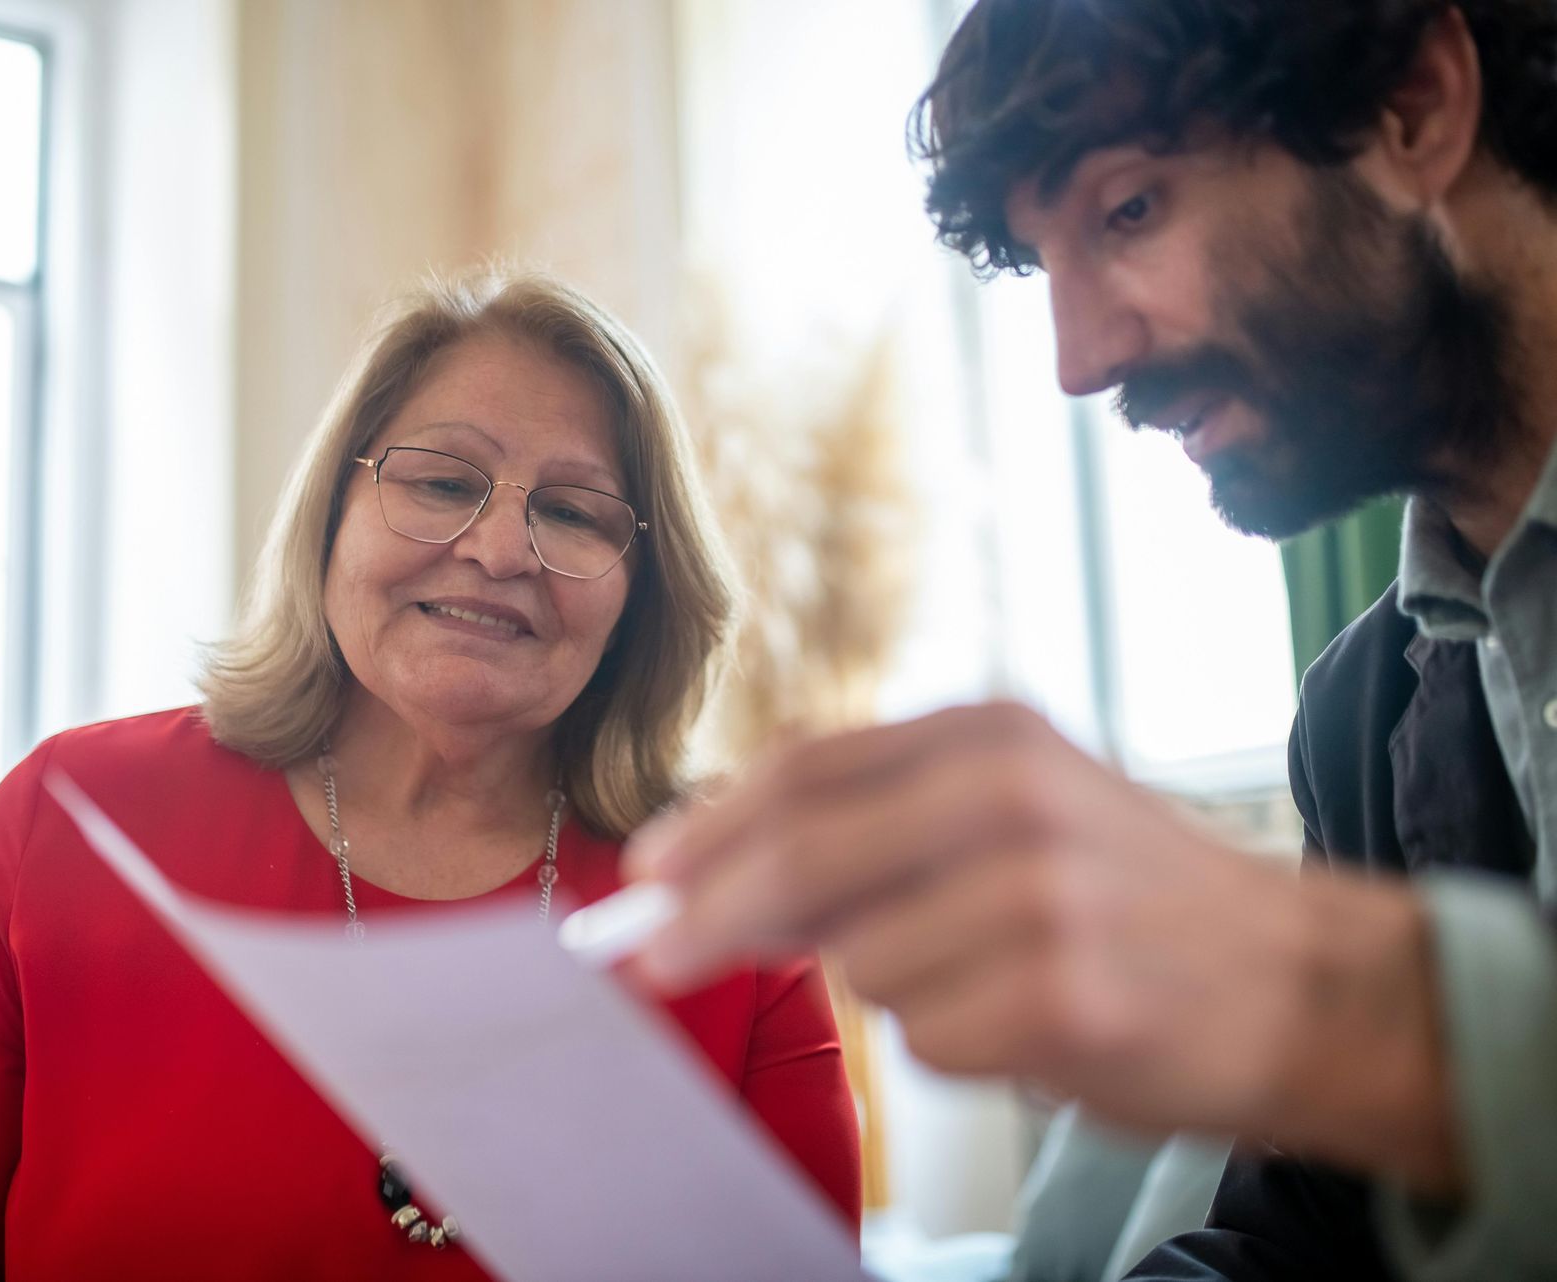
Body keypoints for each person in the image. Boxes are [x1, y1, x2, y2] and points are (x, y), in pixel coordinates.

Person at [624, 1, 1557, 1277]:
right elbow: (1307, 1247)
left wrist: (1343, 1008)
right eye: (1042, 257)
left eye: (1130, 210)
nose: (1079, 358)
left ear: (1415, 109)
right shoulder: (1362, 714)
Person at [0, 270, 861, 1280]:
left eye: (572, 510)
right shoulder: (70, 822)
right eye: (441, 482)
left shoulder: (729, 913)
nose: (500, 548)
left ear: (641, 593)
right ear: (332, 511)